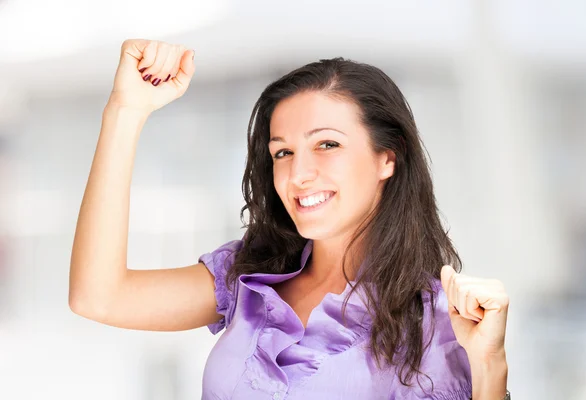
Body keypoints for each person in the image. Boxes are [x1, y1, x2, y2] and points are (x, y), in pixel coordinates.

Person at [69, 39, 510, 399]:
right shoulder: (249, 275)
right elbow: (98, 296)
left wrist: (490, 367)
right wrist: (125, 112)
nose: (298, 174)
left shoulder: (438, 326)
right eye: (283, 152)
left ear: (387, 159)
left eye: (327, 145)